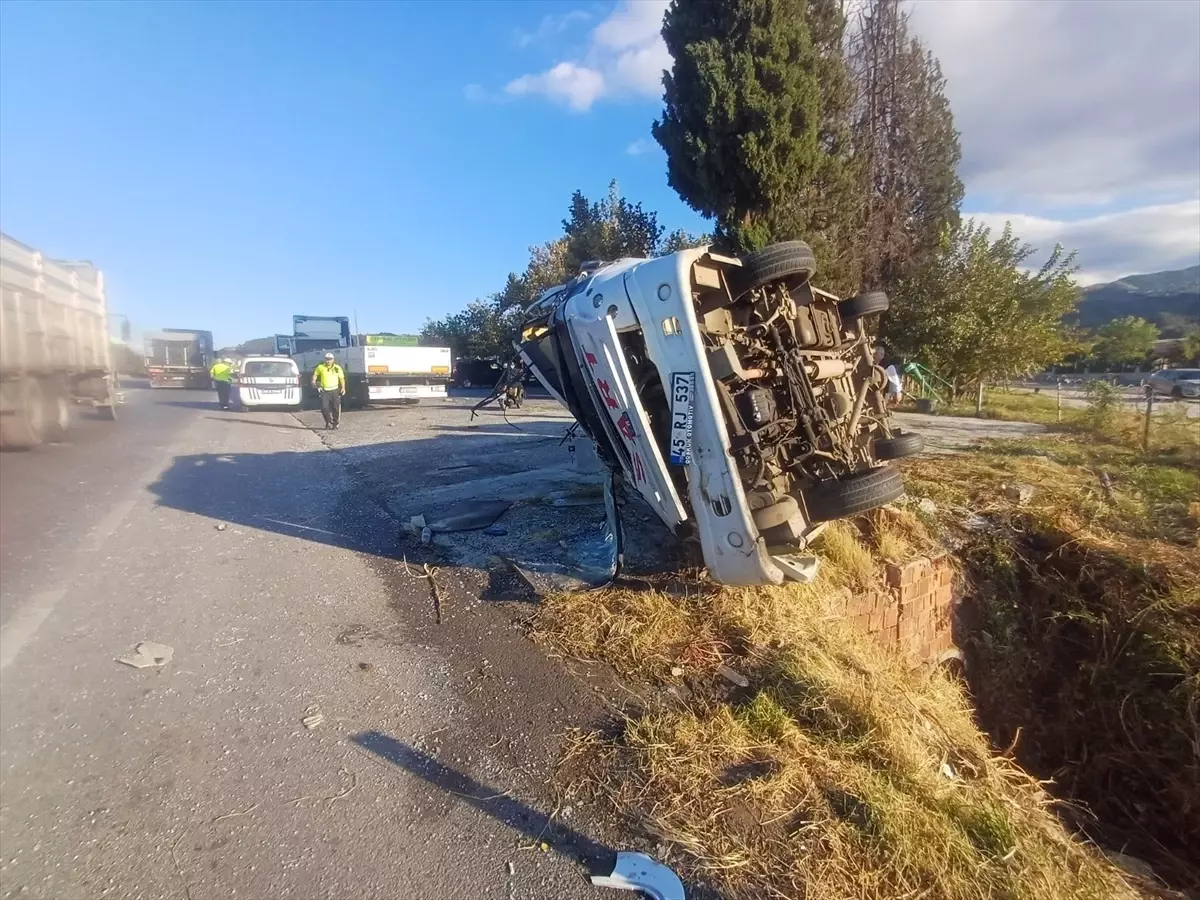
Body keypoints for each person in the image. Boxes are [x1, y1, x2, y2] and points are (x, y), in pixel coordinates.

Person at [311, 352, 346, 429]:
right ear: (325, 360)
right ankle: (328, 422)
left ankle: (335, 423)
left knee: (336, 408)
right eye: (327, 359)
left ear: (333, 360)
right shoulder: (320, 367)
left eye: (330, 359)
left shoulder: (337, 368)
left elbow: (341, 378)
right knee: (324, 408)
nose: (328, 361)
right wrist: (313, 381)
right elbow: (315, 374)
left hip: (335, 390)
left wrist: (343, 388)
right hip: (324, 391)